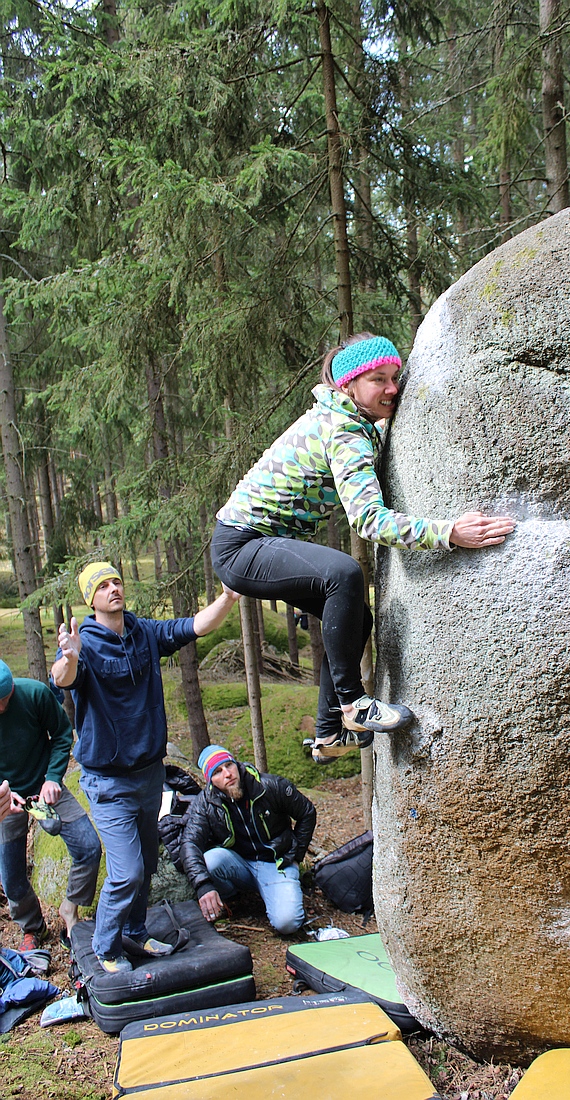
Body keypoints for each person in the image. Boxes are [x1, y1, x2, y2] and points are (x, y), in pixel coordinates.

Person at [211, 332, 515, 761]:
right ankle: (355, 705)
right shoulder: (343, 431)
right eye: (379, 380)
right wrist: (449, 533)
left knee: (356, 616)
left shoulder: (348, 420)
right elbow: (369, 520)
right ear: (348, 386)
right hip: (241, 546)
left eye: (395, 377)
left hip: (251, 542)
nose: (392, 388)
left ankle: (329, 733)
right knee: (344, 574)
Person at [50, 562, 242, 974]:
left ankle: (135, 931)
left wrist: (226, 598)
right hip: (108, 781)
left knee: (149, 864)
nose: (113, 588)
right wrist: (68, 657)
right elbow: (63, 678)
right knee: (128, 871)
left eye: (116, 581)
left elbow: (196, 626)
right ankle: (106, 946)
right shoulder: (83, 642)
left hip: (149, 774)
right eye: (103, 586)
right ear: (91, 599)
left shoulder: (144, 633)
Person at [0, 659, 101, 951]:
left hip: (44, 788)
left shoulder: (34, 694)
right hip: (7, 800)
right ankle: (33, 928)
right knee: (12, 880)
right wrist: (4, 794)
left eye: (5, 700)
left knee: (88, 847)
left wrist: (53, 777)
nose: (2, 707)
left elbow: (61, 735)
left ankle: (70, 908)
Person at [181, 745, 316, 935]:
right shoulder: (205, 803)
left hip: (277, 864)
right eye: (218, 772)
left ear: (237, 764)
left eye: (229, 765)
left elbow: (307, 813)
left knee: (288, 923)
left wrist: (296, 855)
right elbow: (190, 843)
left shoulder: (269, 786)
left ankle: (275, 891)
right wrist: (203, 885)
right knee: (210, 860)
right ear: (210, 780)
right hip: (240, 864)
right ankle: (232, 899)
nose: (227, 774)